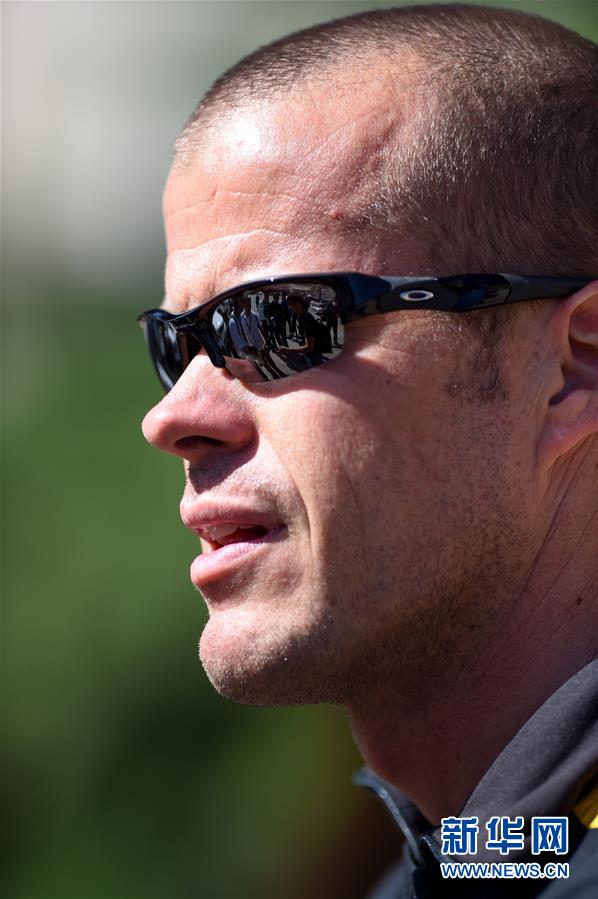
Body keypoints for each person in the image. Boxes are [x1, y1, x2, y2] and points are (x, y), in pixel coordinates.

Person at [139, 5, 598, 897]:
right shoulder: (477, 856)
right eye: (175, 344)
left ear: (576, 365)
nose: (175, 416)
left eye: (279, 320)